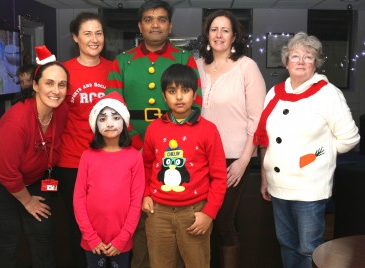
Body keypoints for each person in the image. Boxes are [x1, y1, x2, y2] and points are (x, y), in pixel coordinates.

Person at [106, 1, 202, 266]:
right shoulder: (122, 61)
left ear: (170, 26)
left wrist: (163, 144)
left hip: (174, 151)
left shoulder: (185, 59)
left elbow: (196, 103)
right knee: (136, 216)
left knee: (175, 216)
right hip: (129, 149)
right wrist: (135, 141)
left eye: (161, 19)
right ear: (140, 26)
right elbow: (112, 108)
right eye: (148, 19)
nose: (155, 24)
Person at [254, 32, 360, 268]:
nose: (301, 61)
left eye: (308, 56)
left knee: (308, 249)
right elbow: (266, 139)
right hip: (278, 185)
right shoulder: (274, 93)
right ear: (286, 61)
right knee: (286, 243)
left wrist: (318, 155)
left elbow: (349, 138)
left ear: (316, 62)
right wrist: (264, 176)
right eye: (295, 56)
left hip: (309, 187)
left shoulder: (328, 94)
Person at [0, 45, 69, 268]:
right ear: (35, 85)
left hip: (31, 175)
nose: (56, 91)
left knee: (42, 229)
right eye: (49, 83)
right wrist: (26, 201)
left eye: (62, 84)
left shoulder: (61, 110)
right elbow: (6, 171)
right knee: (9, 235)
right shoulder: (17, 122)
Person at [196, 10, 266, 267]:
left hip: (232, 157)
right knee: (203, 220)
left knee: (224, 220)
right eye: (214, 29)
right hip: (199, 156)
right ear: (207, 34)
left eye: (225, 30)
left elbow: (257, 119)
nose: (219, 35)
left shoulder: (247, 67)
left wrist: (244, 160)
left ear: (235, 36)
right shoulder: (197, 66)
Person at [142, 64, 227, 268]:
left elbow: (219, 176)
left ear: (194, 94)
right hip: (158, 213)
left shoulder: (208, 130)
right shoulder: (154, 129)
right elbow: (145, 165)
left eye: (185, 90)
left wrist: (209, 212)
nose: (179, 97)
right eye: (172, 91)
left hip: (195, 213)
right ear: (164, 96)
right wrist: (145, 194)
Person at [53, 12, 113, 267]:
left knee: (109, 222)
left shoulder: (114, 69)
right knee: (80, 226)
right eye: (87, 33)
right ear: (75, 37)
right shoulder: (63, 71)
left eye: (98, 33)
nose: (94, 39)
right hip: (72, 162)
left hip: (108, 161)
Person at [73, 91, 145, 268]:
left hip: (121, 241)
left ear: (124, 122)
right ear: (96, 124)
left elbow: (136, 202)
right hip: (92, 241)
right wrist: (91, 237)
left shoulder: (134, 157)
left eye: (115, 117)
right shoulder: (87, 157)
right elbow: (79, 199)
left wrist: (122, 239)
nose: (110, 123)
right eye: (103, 118)